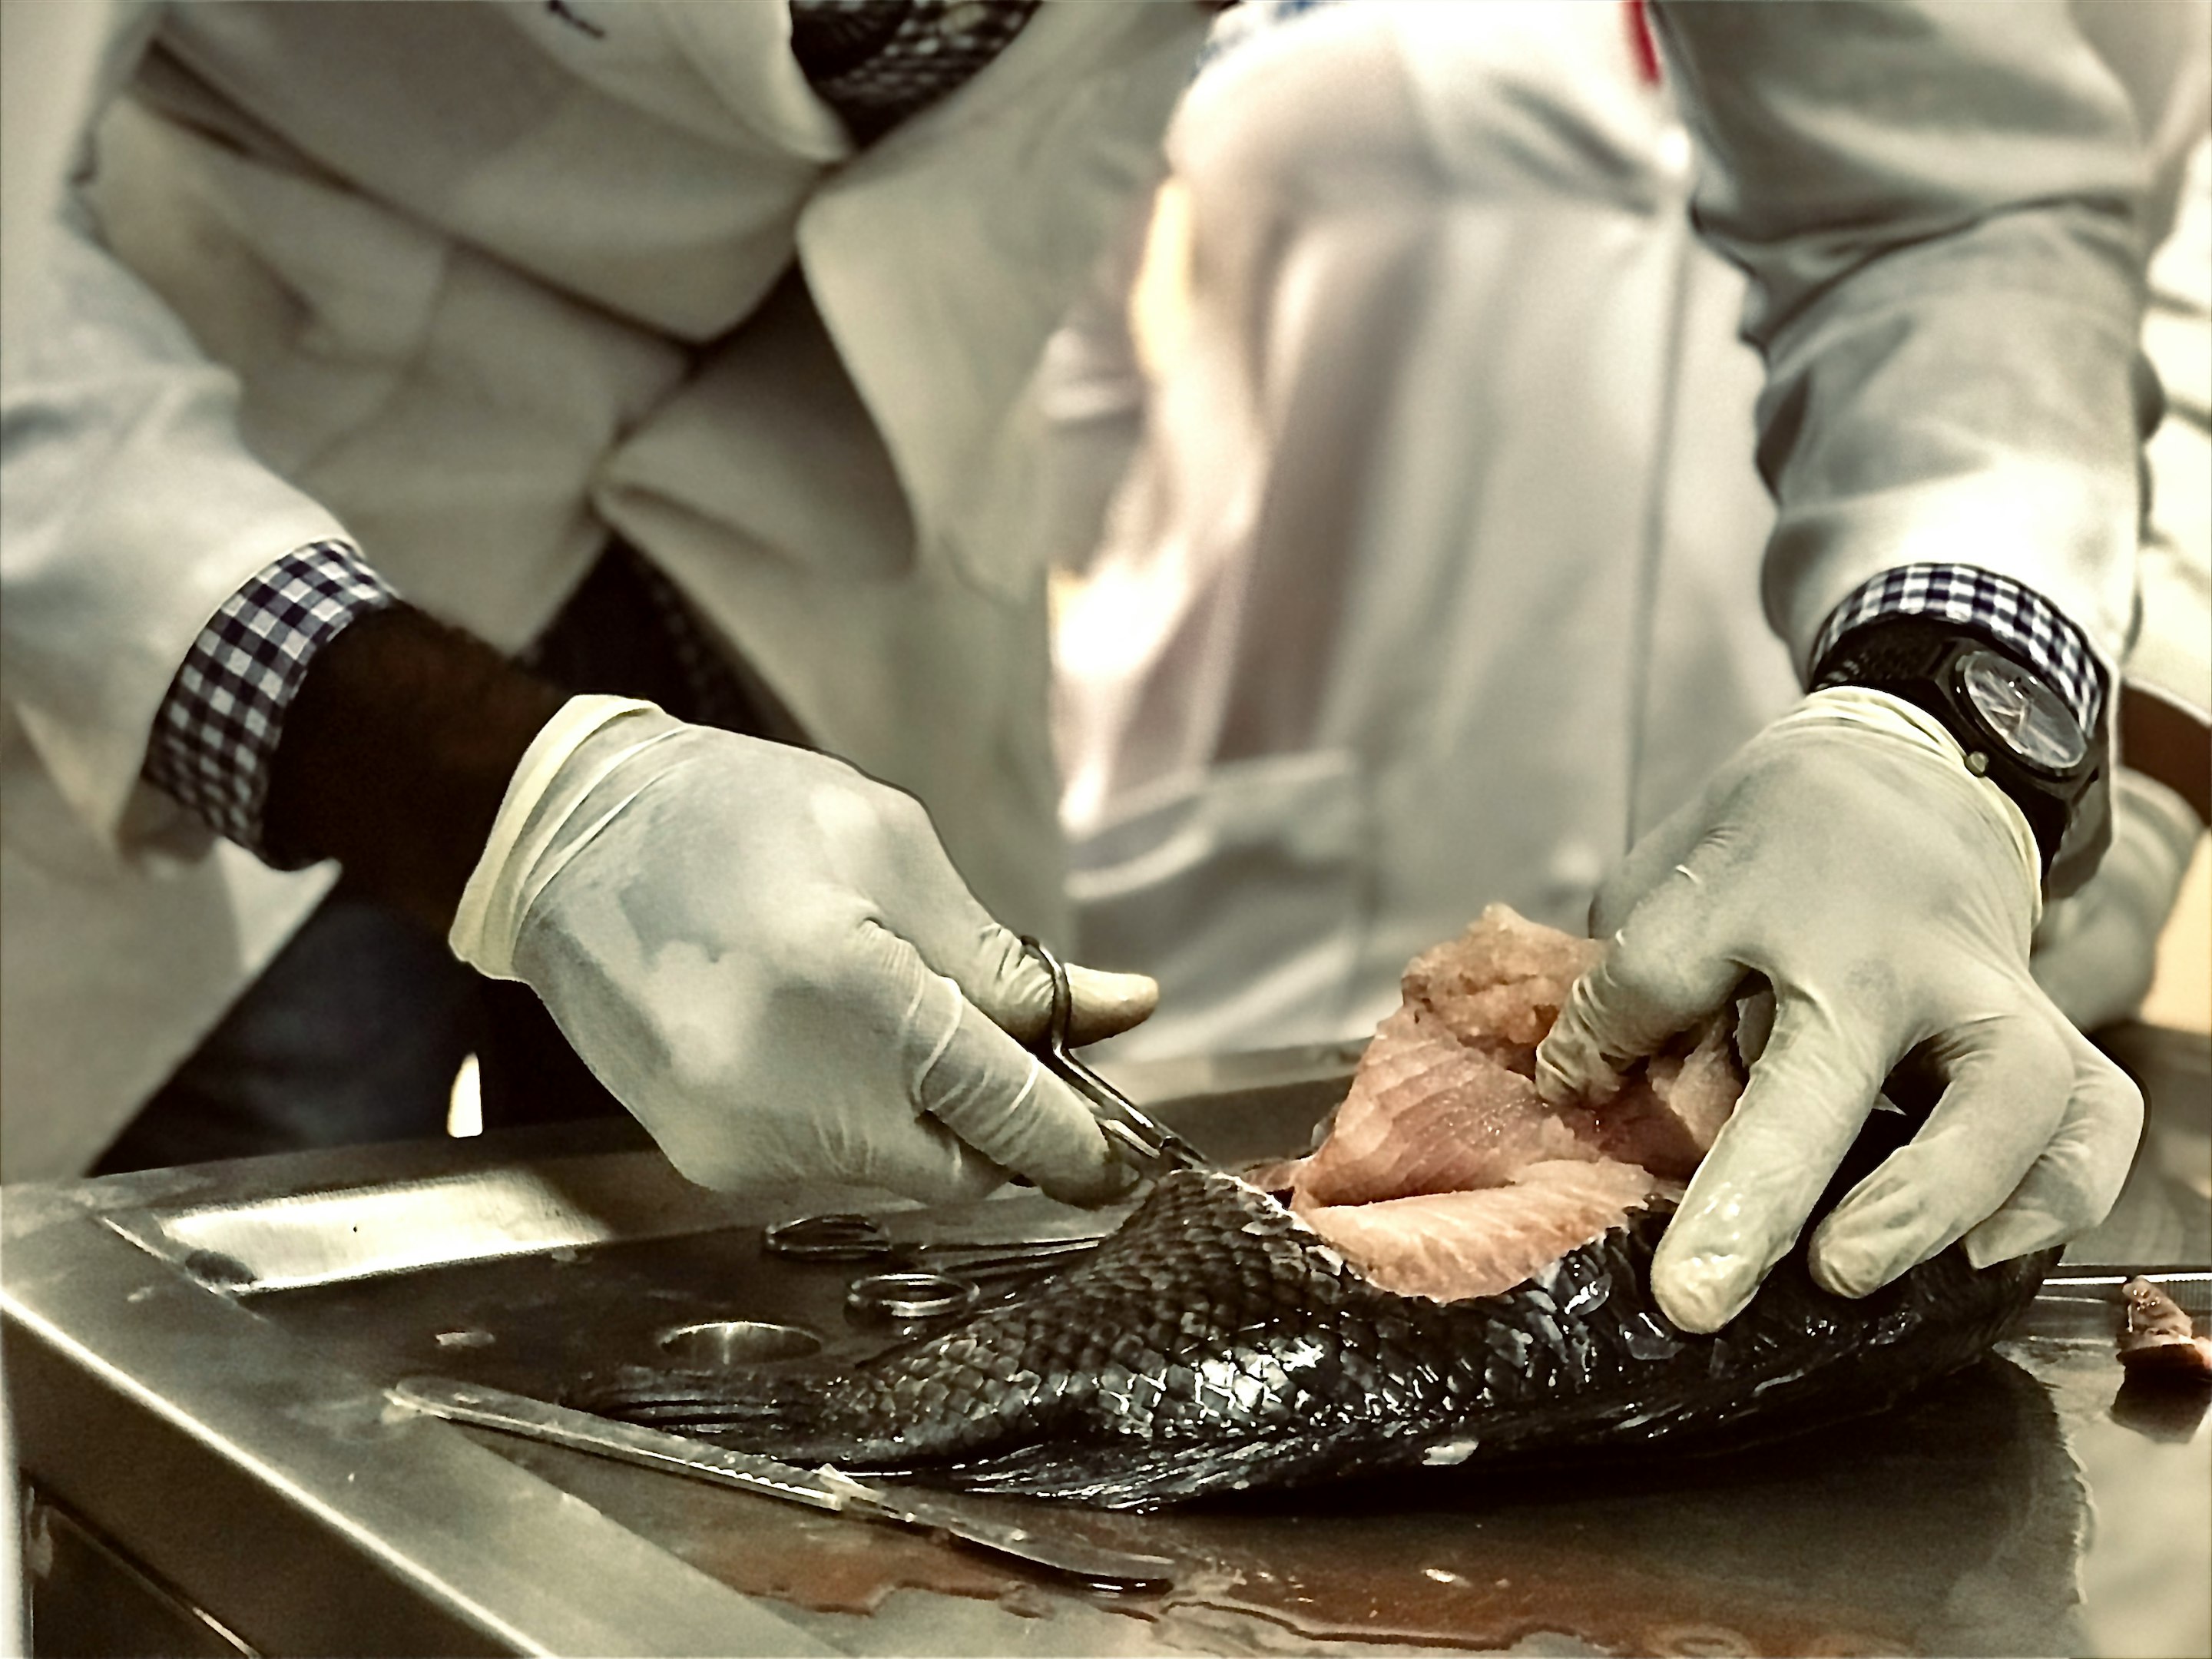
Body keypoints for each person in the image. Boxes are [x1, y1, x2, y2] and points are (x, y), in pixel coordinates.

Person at [0, 2, 2164, 1334]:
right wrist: (507, 800)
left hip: (843, 499)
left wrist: (1944, 717)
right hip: (198, 436)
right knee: (193, 1332)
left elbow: (1943, 202)